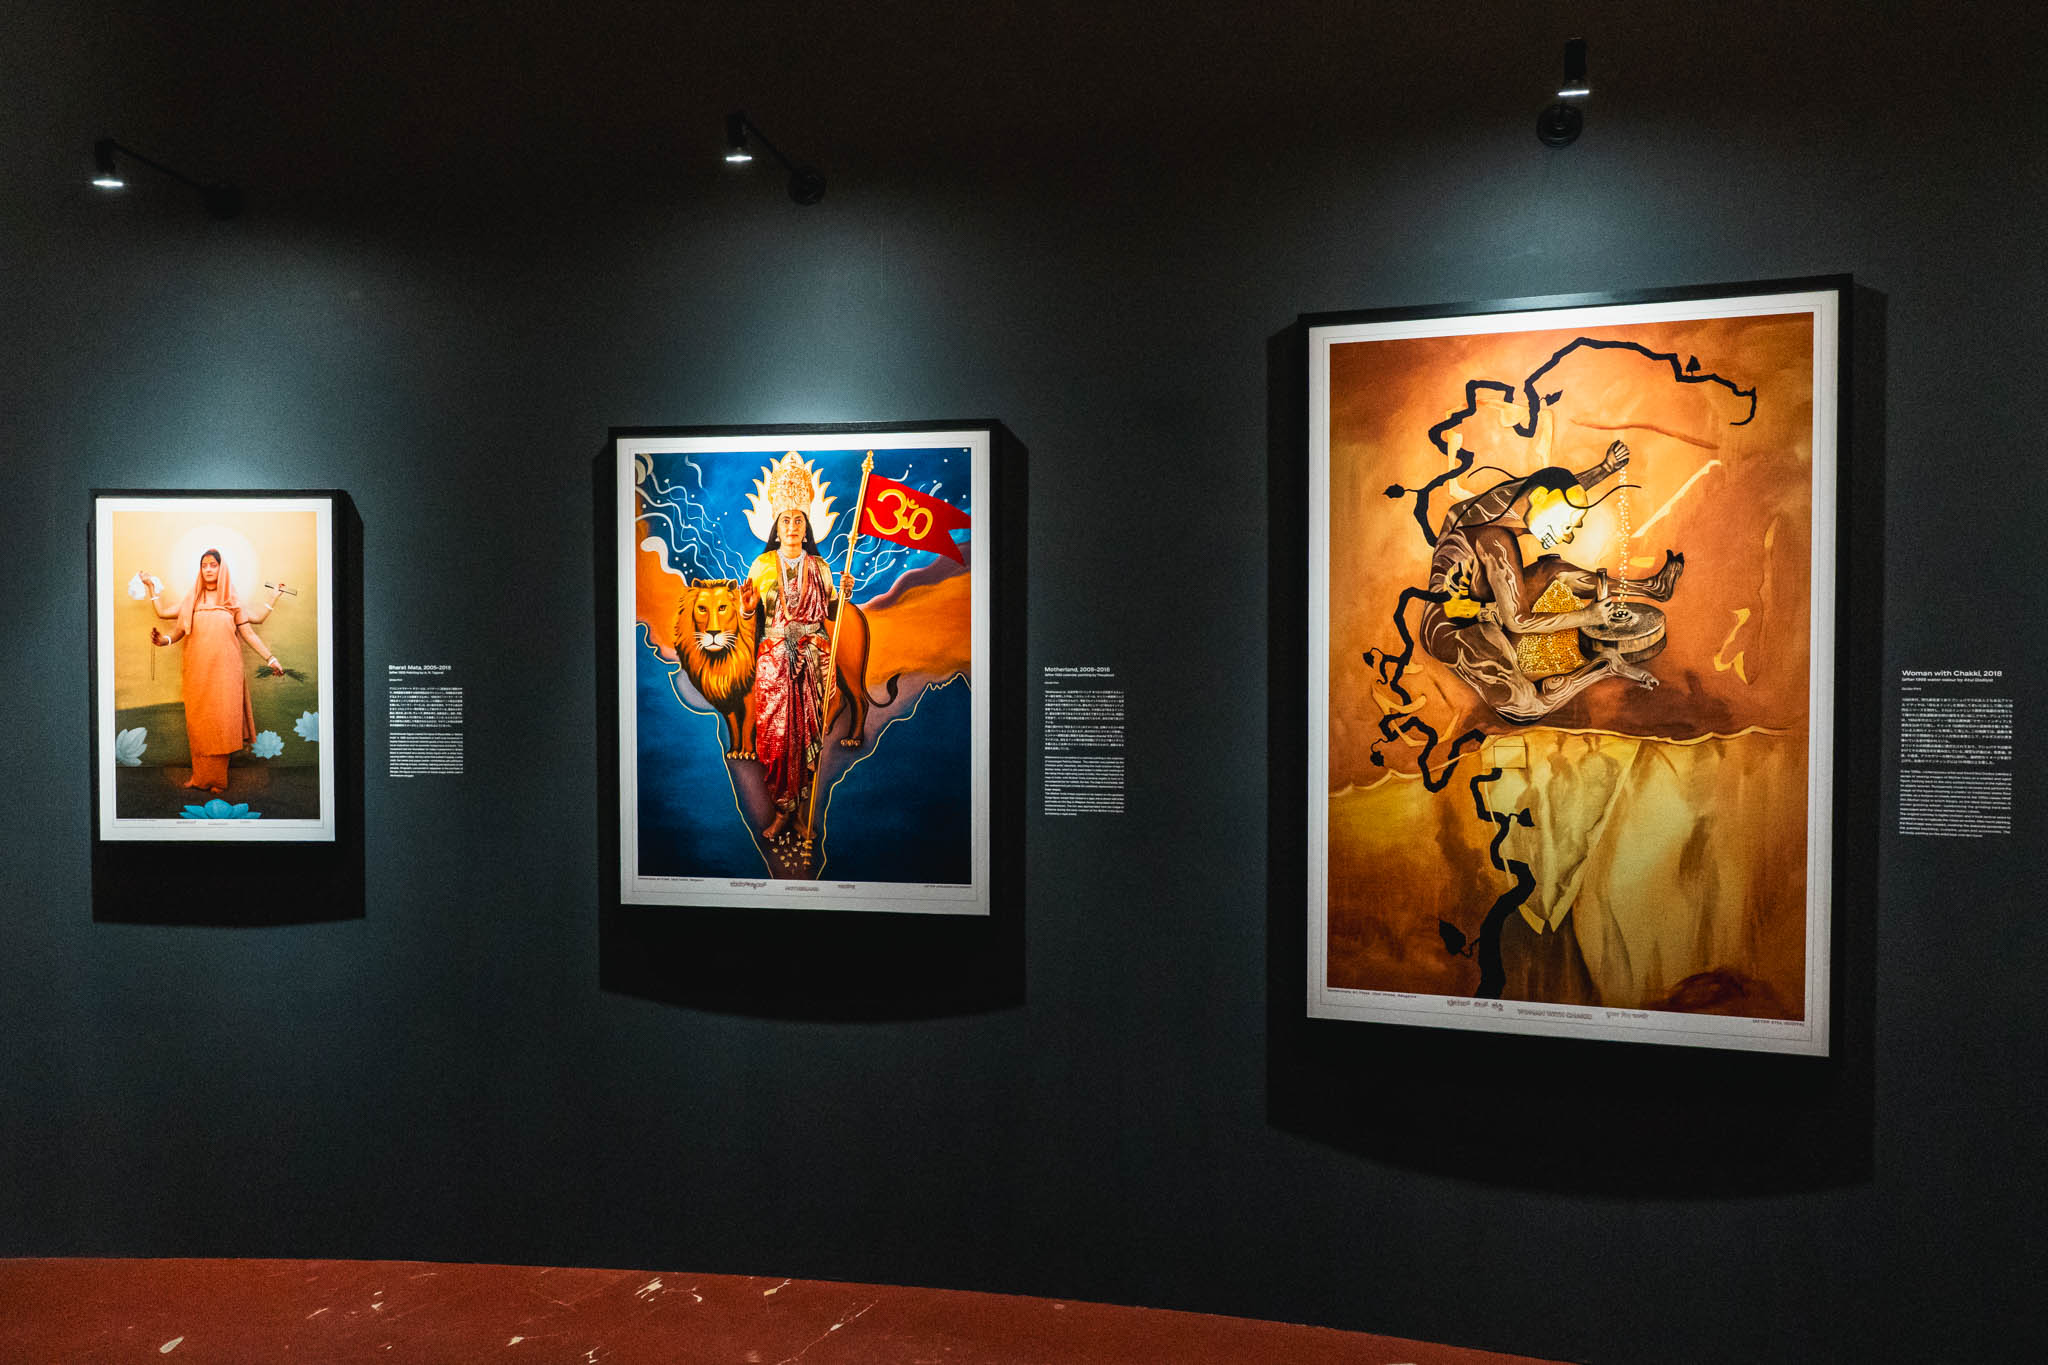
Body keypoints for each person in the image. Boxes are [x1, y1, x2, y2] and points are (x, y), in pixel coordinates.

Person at [1417, 440, 1683, 724]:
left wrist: (1605, 469)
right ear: (1540, 499)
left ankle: (1651, 588)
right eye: (1567, 525)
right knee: (1525, 707)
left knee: (1553, 570)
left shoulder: (1504, 502)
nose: (1567, 536)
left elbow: (1557, 487)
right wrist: (1587, 616)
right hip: (1455, 627)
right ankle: (1607, 666)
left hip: (1485, 600)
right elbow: (1517, 621)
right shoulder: (1496, 541)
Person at [738, 506, 854, 843]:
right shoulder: (761, 565)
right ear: (776, 529)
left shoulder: (820, 567)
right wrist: (747, 608)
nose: (791, 526)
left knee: (806, 738)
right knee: (776, 740)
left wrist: (845, 592)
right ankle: (781, 812)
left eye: (798, 521)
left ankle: (799, 815)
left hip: (812, 658)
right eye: (785, 521)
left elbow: (831, 613)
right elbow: (750, 616)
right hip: (773, 661)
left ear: (807, 530)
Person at [144, 550, 288, 793]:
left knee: (221, 722)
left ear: (222, 569)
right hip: (197, 670)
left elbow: (249, 632)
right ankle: (199, 777)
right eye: (204, 565)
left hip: (226, 672)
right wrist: (163, 639)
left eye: (213, 565)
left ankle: (217, 780)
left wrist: (270, 658)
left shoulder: (232, 601)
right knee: (199, 723)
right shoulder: (191, 600)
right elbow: (174, 628)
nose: (208, 569)